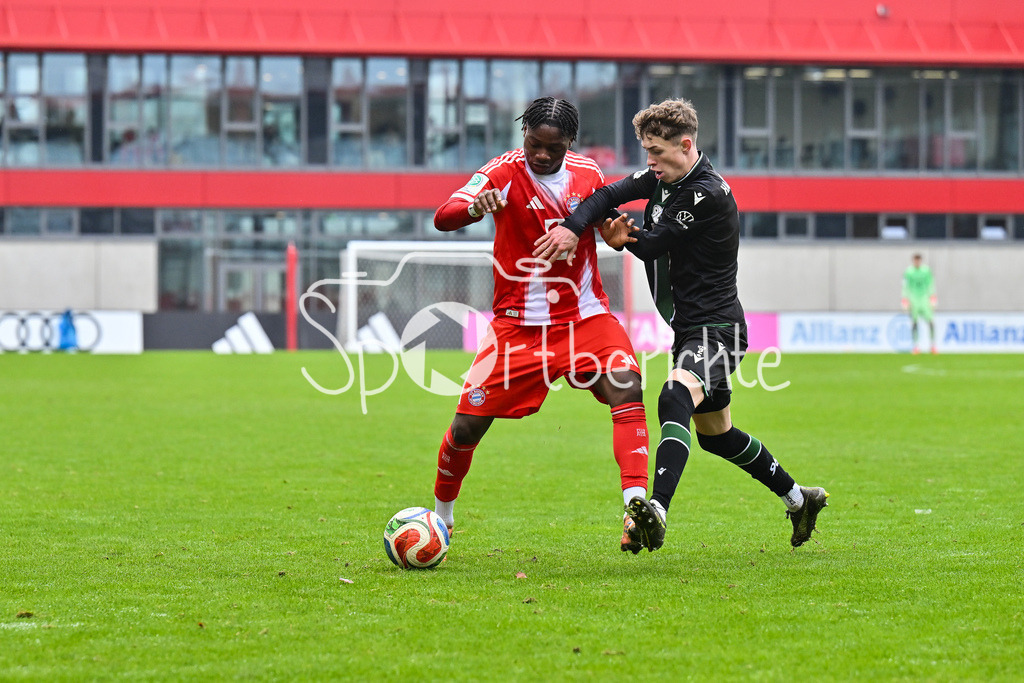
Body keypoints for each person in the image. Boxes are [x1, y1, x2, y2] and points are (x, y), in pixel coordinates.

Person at [538, 98, 829, 551]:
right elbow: (605, 197)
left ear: (686, 145)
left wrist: (623, 238)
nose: (649, 162)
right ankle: (799, 499)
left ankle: (655, 511)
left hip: (718, 329)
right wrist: (575, 227)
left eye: (655, 151)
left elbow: (656, 244)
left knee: (674, 395)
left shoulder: (706, 193)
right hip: (691, 329)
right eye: (646, 151)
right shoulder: (661, 177)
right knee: (718, 437)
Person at [431, 97, 651, 553]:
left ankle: (636, 507)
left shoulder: (588, 173)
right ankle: (441, 518)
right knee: (466, 427)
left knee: (627, 385)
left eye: (553, 147)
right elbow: (444, 215)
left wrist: (613, 238)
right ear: (523, 134)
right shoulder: (500, 170)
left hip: (585, 316)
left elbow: (606, 224)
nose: (543, 154)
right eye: (534, 143)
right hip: (518, 326)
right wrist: (476, 208)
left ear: (570, 142)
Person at [902, 253, 937, 354]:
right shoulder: (908, 272)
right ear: (913, 261)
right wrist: (905, 299)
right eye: (915, 260)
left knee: (931, 321)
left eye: (918, 260)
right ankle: (915, 346)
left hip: (924, 299)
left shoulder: (926, 271)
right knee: (914, 323)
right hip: (914, 299)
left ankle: (933, 345)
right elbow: (905, 286)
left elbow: (931, 284)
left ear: (920, 261)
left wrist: (933, 297)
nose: (917, 262)